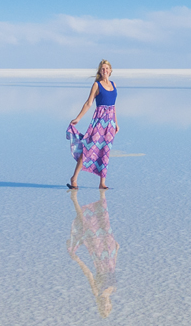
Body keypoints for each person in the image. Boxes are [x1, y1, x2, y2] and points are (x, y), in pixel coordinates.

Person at [67, 59, 119, 189]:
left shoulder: (114, 84)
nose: (105, 71)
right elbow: (88, 103)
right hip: (99, 121)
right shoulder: (97, 85)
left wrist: (116, 123)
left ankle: (102, 183)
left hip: (110, 124)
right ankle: (74, 178)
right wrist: (78, 118)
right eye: (103, 69)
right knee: (88, 149)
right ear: (100, 71)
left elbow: (114, 106)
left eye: (107, 68)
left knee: (106, 151)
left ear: (111, 71)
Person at [68, 189, 119, 317]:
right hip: (110, 252)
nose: (106, 306)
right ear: (111, 306)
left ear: (100, 306)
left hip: (98, 255)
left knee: (86, 226)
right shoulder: (113, 290)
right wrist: (116, 250)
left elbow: (89, 274)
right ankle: (102, 193)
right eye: (108, 309)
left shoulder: (97, 292)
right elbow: (113, 269)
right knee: (105, 221)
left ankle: (74, 199)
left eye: (103, 309)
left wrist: (78, 260)